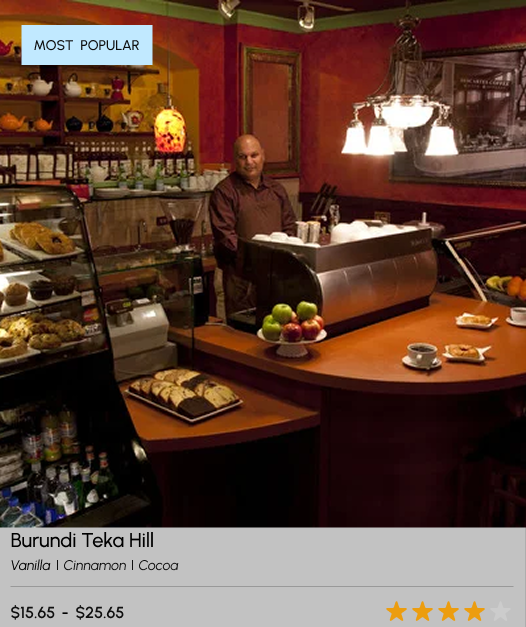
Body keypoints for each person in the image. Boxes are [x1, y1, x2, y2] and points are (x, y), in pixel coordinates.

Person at [209, 134, 297, 318]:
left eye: (254, 155)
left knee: (274, 326)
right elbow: (225, 237)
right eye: (243, 157)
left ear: (263, 156)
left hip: (274, 276)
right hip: (238, 278)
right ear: (235, 160)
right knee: (240, 329)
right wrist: (258, 260)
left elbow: (290, 226)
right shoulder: (224, 192)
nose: (249, 162)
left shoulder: (276, 189)